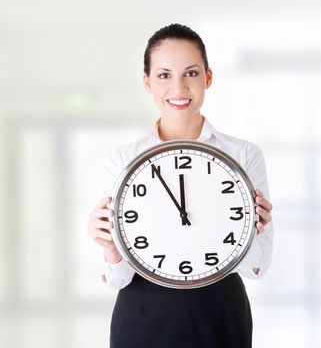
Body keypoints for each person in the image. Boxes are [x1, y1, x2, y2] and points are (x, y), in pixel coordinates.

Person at [87, 23, 273, 348]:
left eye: (190, 73)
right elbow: (117, 279)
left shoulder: (243, 155)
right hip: (143, 312)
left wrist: (252, 233)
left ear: (208, 77)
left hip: (220, 311)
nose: (179, 87)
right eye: (164, 75)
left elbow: (257, 269)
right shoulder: (123, 161)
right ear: (147, 81)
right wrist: (110, 247)